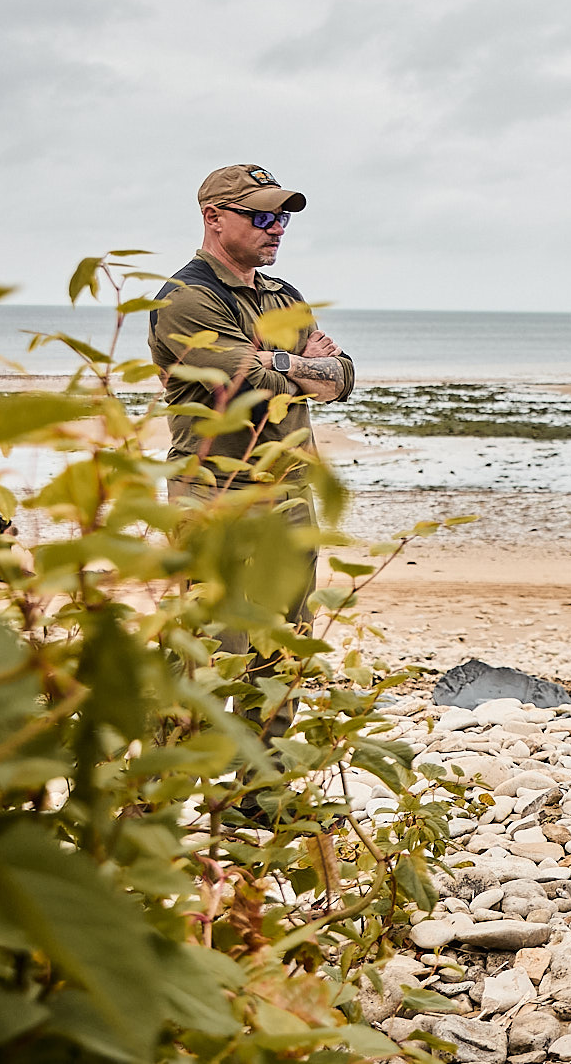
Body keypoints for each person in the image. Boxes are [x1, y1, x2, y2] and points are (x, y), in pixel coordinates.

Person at [149, 164, 354, 732]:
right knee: (209, 648)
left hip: (288, 491)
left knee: (282, 648)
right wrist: (297, 364)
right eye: (262, 215)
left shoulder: (283, 295)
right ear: (214, 218)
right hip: (216, 492)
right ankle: (149, 800)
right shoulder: (186, 299)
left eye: (282, 216)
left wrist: (281, 362)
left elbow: (341, 377)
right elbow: (247, 378)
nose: (278, 228)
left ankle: (260, 798)